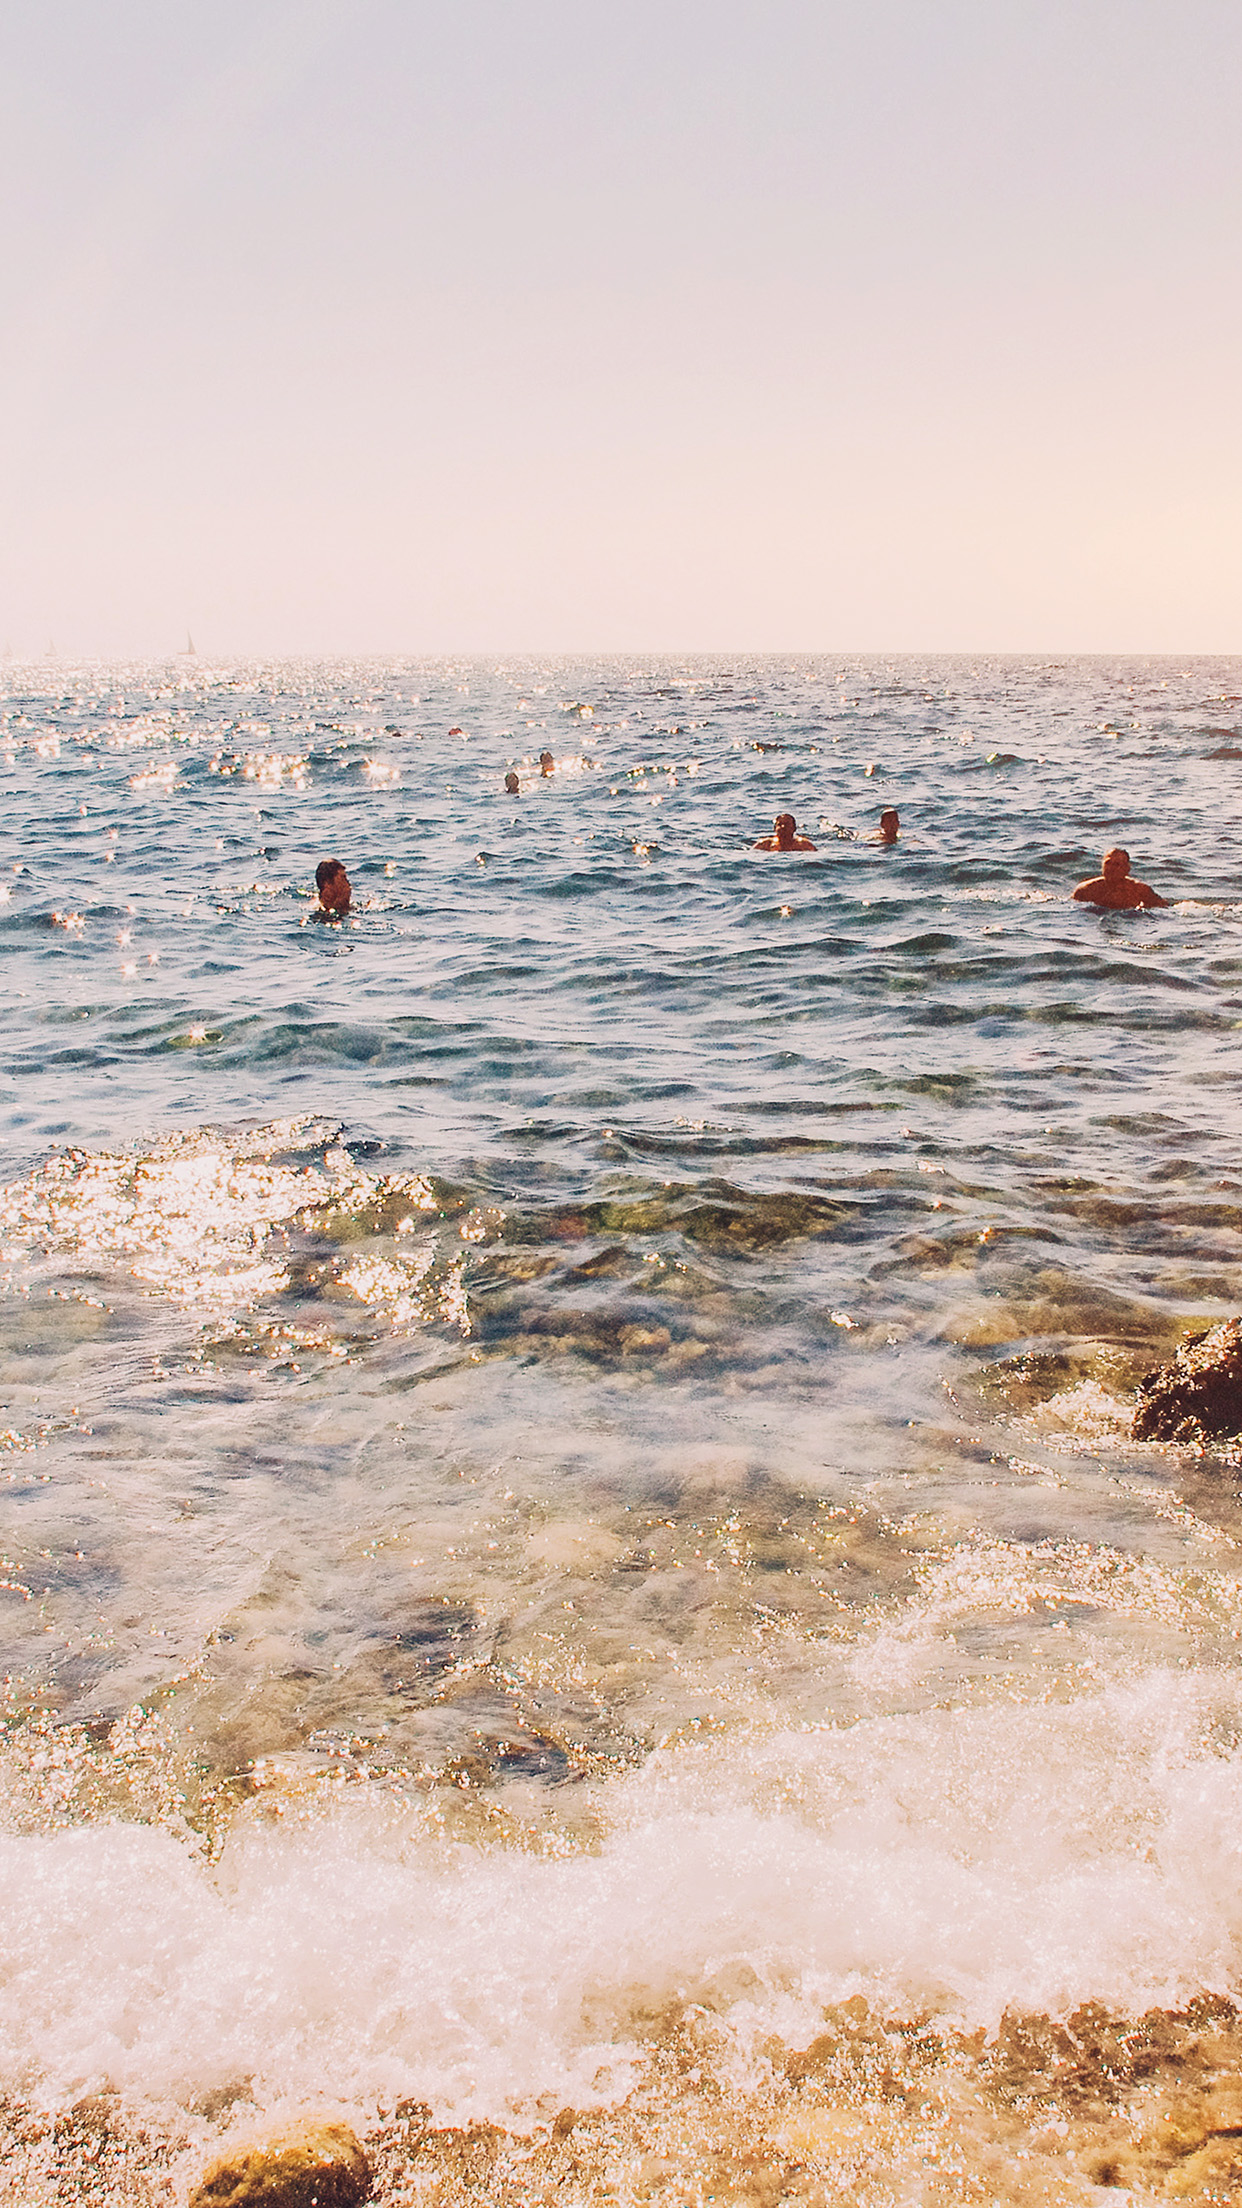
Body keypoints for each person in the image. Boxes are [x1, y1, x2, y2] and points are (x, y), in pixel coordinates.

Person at [1072, 847, 1168, 911]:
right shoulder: (1086, 889)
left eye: (1117, 864)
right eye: (1108, 863)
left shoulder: (1140, 890)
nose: (1111, 868)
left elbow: (1163, 907)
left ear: (1127, 868)